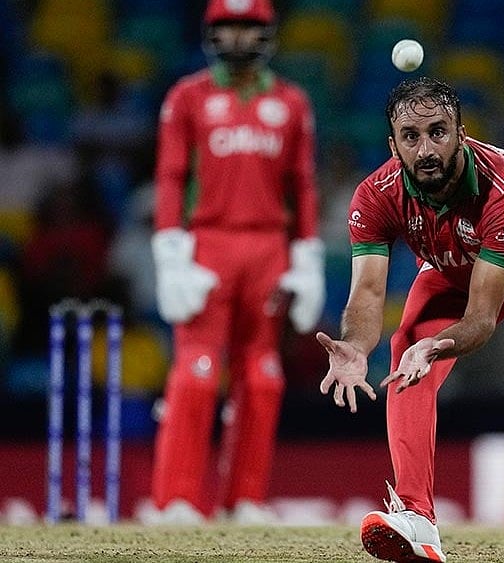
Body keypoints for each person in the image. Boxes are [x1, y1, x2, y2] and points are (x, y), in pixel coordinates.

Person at [317, 77, 504, 561]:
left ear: (461, 133)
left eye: (438, 132)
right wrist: (355, 346)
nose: (426, 148)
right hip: (458, 268)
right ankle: (415, 517)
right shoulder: (375, 195)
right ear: (393, 145)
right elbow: (368, 291)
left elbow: (480, 318)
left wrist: (436, 345)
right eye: (411, 137)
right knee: (403, 354)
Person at [149, 0, 324, 524]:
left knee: (264, 375)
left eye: (250, 28)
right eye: (230, 27)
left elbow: (303, 186)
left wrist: (307, 256)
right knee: (197, 372)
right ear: (211, 32)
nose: (241, 39)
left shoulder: (291, 102)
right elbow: (170, 178)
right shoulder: (188, 97)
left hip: (269, 248)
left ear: (267, 33)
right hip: (208, 243)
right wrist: (170, 253)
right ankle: (175, 500)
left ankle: (243, 499)